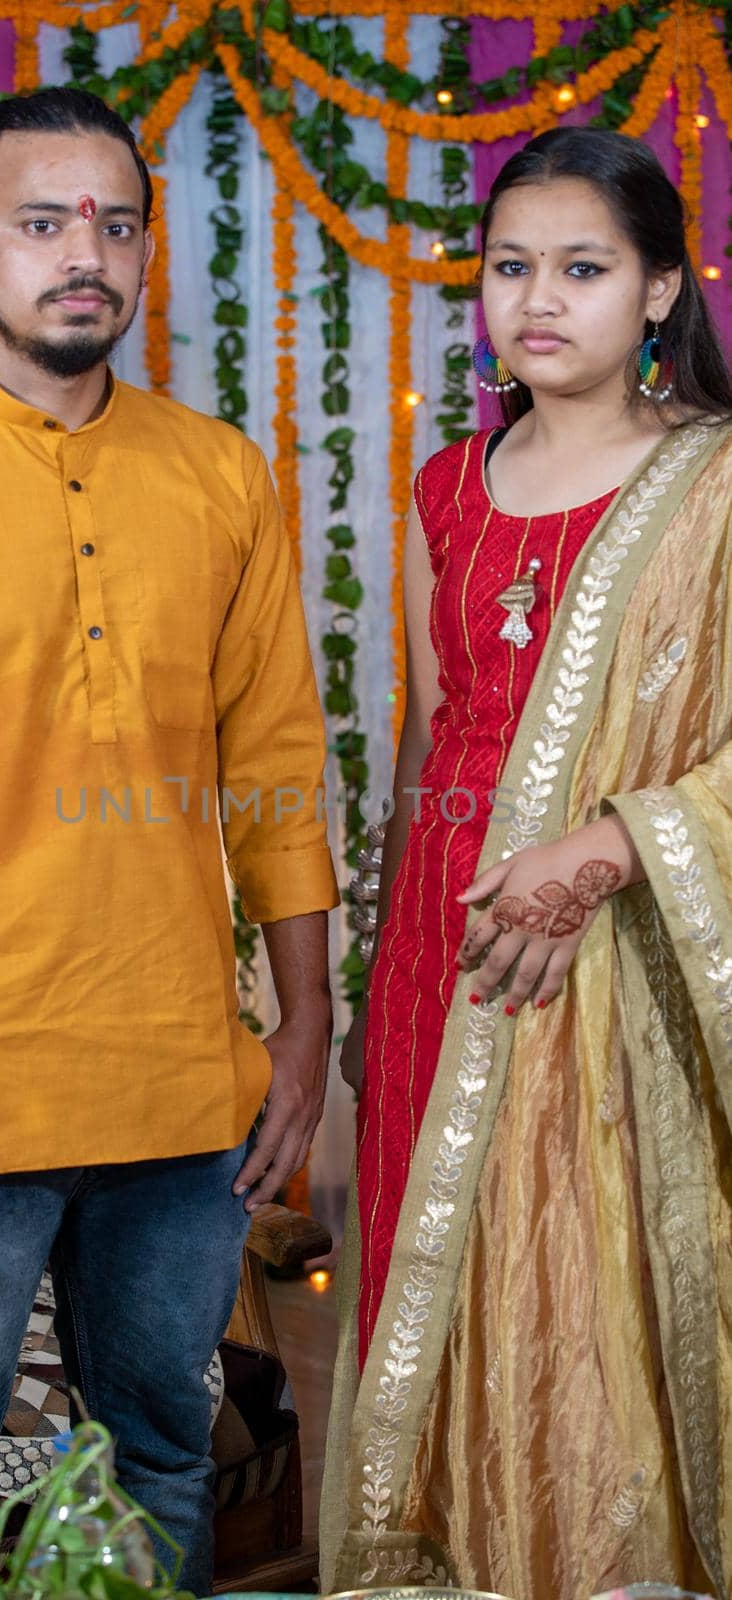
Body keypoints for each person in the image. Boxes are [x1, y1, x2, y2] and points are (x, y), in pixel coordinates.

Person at [0, 86, 339, 1599]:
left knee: (155, 1468)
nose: (86, 255)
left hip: (185, 1096)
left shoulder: (220, 474)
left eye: (116, 223)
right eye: (42, 222)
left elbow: (276, 761)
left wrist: (305, 1026)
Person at [321, 127, 731, 1600]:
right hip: (450, 956)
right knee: (451, 1294)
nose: (537, 299)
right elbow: (435, 745)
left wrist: (616, 847)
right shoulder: (449, 487)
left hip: (622, 976)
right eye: (510, 268)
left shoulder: (715, 487)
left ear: (663, 289)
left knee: (585, 1306)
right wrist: (382, 980)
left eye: (583, 267)